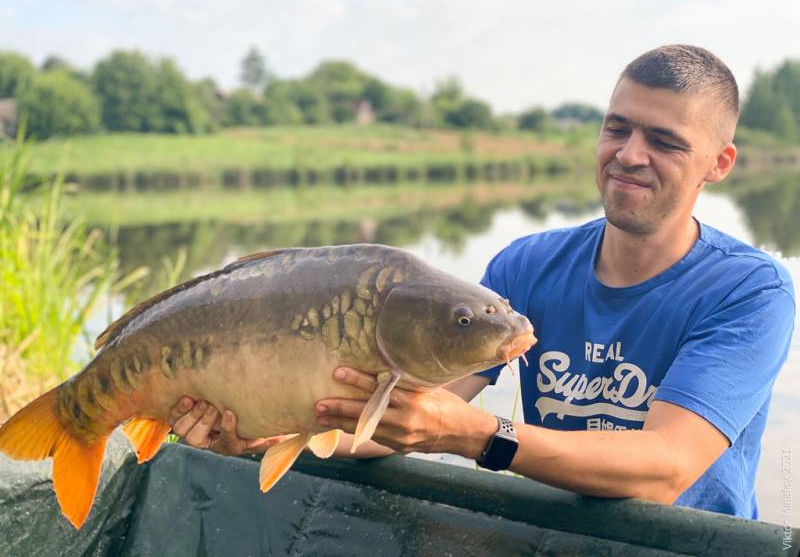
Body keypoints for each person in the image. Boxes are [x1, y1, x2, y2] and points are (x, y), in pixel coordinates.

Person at [168, 45, 795, 520]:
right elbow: (402, 418)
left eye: (664, 141)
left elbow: (665, 470)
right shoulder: (525, 268)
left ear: (719, 163)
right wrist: (262, 435)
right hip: (554, 536)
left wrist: (477, 437)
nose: (630, 154)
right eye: (617, 128)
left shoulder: (749, 290)